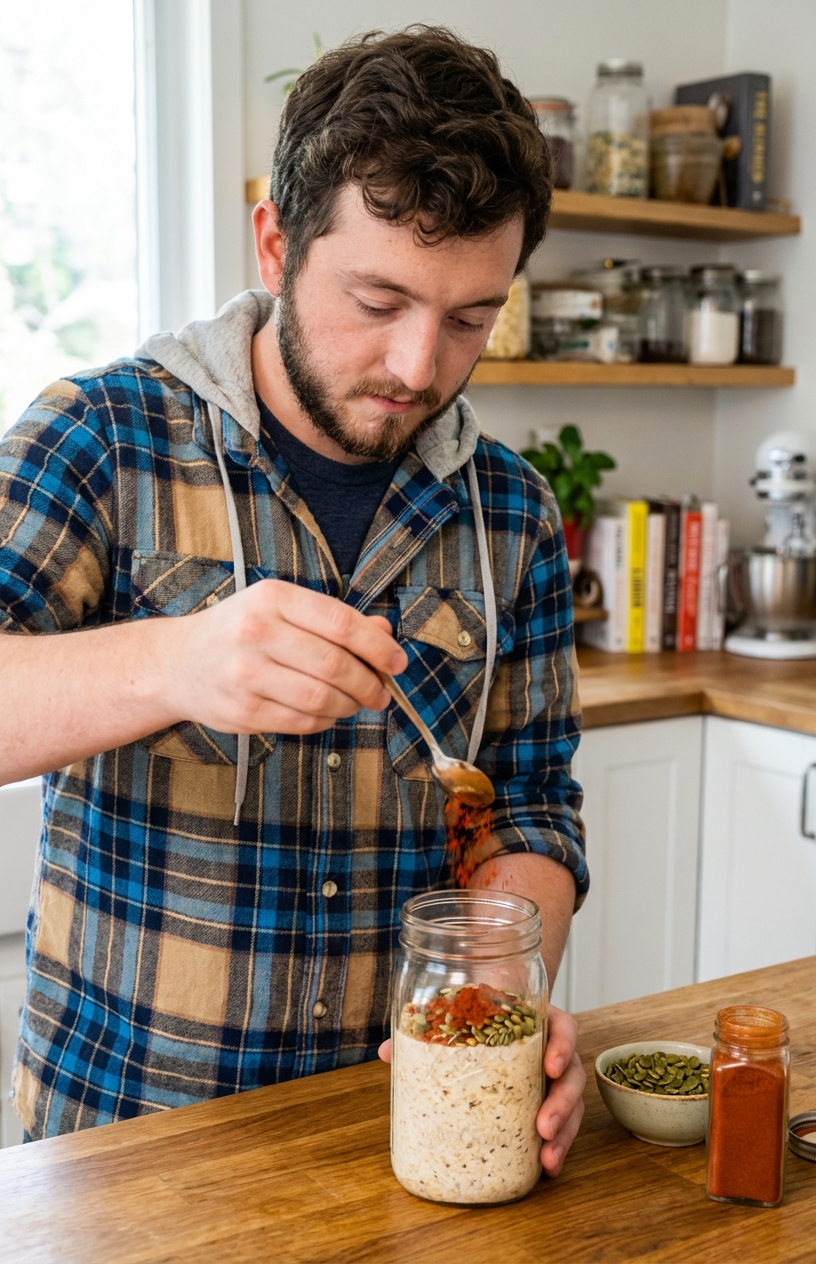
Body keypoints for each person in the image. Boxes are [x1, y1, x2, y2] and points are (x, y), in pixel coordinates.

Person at [0, 26, 588, 1169]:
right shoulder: (102, 436)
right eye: (377, 299)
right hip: (124, 1157)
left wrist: (496, 1006)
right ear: (274, 239)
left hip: (402, 1146)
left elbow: (529, 808)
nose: (419, 365)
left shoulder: (508, 515)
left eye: (471, 317)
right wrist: (172, 663)